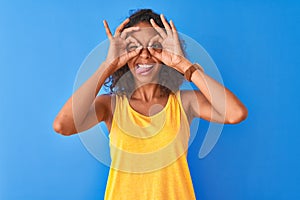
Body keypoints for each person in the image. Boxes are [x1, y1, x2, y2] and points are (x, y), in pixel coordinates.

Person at [53, 9, 248, 200]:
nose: (144, 55)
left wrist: (183, 65)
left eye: (154, 46)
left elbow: (235, 113)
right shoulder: (110, 106)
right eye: (134, 47)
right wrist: (107, 65)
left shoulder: (184, 102)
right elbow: (63, 125)